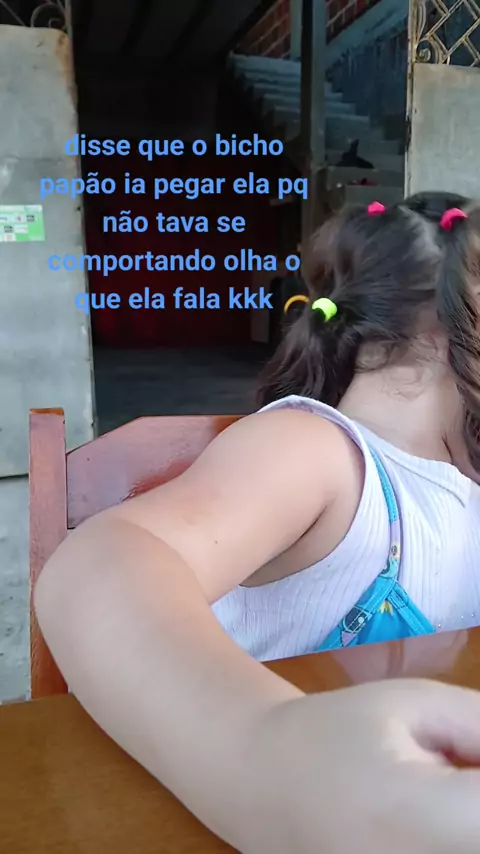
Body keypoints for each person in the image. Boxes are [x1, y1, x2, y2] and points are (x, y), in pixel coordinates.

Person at [35, 192, 480, 853]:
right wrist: (264, 751)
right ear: (451, 322)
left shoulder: (461, 485)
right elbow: (100, 564)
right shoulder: (316, 452)